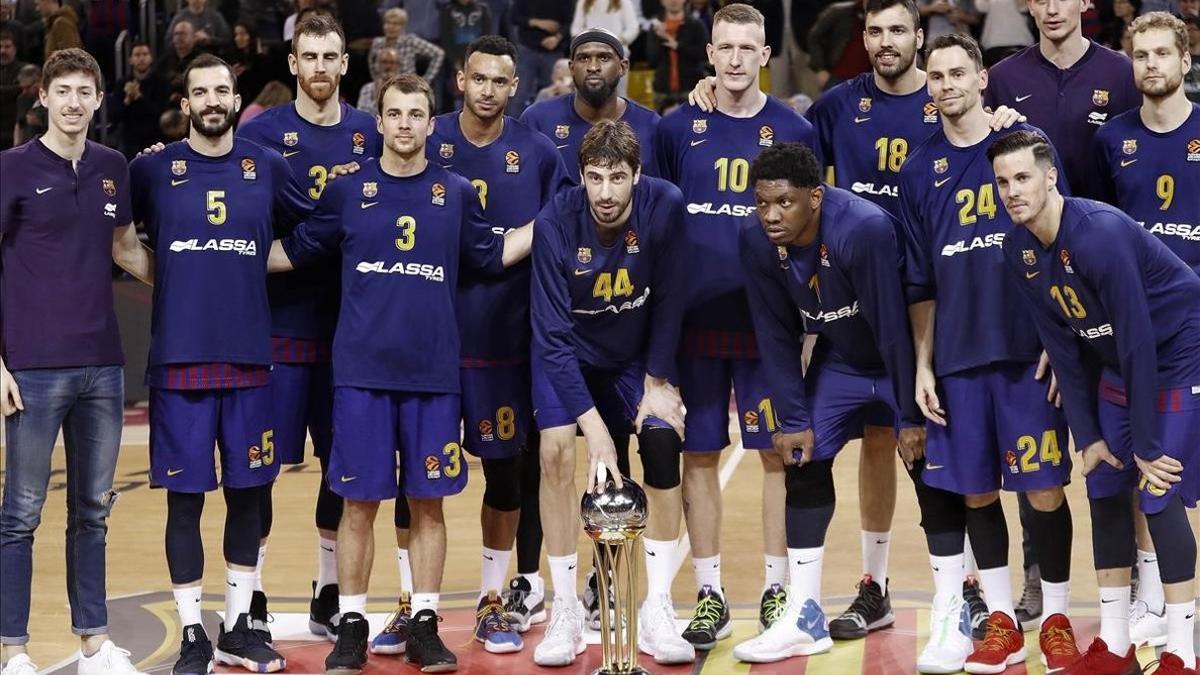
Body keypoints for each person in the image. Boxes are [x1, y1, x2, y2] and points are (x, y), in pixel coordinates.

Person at [268, 72, 533, 675]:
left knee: (429, 504)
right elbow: (296, 250)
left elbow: (491, 256)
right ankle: (354, 624)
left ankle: (424, 623)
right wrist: (213, 248)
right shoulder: (347, 191)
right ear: (379, 123)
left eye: (417, 114)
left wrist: (555, 217)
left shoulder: (457, 193)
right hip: (360, 374)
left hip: (434, 376)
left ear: (429, 123)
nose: (406, 124)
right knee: (359, 503)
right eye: (395, 114)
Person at [898, 33, 1079, 674]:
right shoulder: (918, 171)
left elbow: (1066, 245)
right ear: (929, 87)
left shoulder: (1024, 146)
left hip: (1029, 354)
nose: (946, 84)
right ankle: (1000, 619)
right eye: (936, 76)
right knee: (976, 493)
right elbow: (919, 282)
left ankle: (1055, 617)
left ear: (982, 79)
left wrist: (1063, 342)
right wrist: (923, 362)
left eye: (958, 73)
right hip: (957, 358)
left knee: (1046, 490)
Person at [127, 52, 313, 675]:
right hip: (178, 362)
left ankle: (236, 627)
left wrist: (251, 261)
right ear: (186, 104)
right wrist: (175, 275)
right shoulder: (151, 169)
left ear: (236, 101)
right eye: (200, 91)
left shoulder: (268, 166)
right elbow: (120, 240)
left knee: (249, 497)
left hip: (249, 360)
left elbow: (307, 233)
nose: (211, 100)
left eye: (221, 91)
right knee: (185, 503)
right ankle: (191, 635)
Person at [733, 141, 953, 665]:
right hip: (843, 361)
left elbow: (893, 329)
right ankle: (805, 615)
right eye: (762, 203)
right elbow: (774, 333)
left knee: (931, 468)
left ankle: (953, 609)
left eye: (784, 203)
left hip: (897, 355)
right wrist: (793, 418)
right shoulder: (755, 240)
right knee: (801, 458)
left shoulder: (863, 228)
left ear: (815, 197)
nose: (771, 215)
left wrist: (908, 413)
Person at [992, 128, 1199, 675]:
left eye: (1023, 178)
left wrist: (1147, 443)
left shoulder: (1098, 234)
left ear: (1051, 176)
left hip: (1175, 348)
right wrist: (1087, 437)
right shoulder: (1018, 249)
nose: (1012, 191)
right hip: (1115, 357)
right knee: (1104, 483)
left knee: (1158, 487)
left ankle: (1181, 651)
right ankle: (1115, 646)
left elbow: (1136, 338)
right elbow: (1061, 346)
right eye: (1003, 182)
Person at [657, 2, 817, 654]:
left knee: (776, 453)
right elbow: (659, 224)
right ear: (711, 52)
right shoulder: (678, 127)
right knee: (698, 454)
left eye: (747, 48)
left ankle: (777, 588)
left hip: (767, 326)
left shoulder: (791, 129)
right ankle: (711, 593)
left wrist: (809, 323)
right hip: (694, 322)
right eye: (724, 47)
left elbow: (812, 226)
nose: (734, 59)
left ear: (764, 56)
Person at [236, 11, 383, 648]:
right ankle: (257, 594)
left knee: (339, 468)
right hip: (279, 331)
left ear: (345, 64)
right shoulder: (261, 134)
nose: (320, 68)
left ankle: (328, 590)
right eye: (310, 57)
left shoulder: (372, 134)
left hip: (350, 335)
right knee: (260, 470)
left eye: (331, 57)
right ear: (292, 63)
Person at [0, 47, 146, 675]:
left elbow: (126, 249)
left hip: (103, 366)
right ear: (43, 98)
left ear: (98, 100)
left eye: (84, 92)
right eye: (62, 91)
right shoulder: (11, 168)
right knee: (20, 515)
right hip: (31, 368)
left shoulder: (115, 169)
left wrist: (205, 283)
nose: (73, 102)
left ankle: (93, 641)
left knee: (92, 511)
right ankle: (13, 650)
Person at [528, 119, 692, 668]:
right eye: (594, 177)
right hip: (569, 354)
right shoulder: (555, 220)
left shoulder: (664, 205)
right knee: (555, 451)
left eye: (616, 177)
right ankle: (566, 607)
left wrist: (658, 381)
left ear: (637, 175)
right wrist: (595, 431)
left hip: (633, 358)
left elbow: (671, 298)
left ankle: (659, 606)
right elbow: (550, 336)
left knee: (664, 441)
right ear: (580, 176)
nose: (605, 192)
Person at [426, 34, 570, 653]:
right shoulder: (424, 137)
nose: (488, 90)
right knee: (420, 478)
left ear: (516, 88)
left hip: (508, 340)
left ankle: (494, 594)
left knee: (506, 474)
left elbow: (563, 231)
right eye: (478, 78)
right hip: (428, 340)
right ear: (460, 80)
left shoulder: (536, 152)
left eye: (500, 82)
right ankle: (417, 606)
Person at [1091, 12, 1199, 651]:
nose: (1152, 64)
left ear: (1186, 61)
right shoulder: (1114, 139)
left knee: (1178, 468)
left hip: (1194, 326)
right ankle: (1156, 594)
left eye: (1163, 53)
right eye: (1141, 55)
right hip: (1133, 330)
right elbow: (1099, 229)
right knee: (1146, 466)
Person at [985, 0, 1139, 200]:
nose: (1052, 10)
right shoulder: (1002, 77)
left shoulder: (1123, 72)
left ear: (1084, 3)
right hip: (1027, 222)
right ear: (1030, 6)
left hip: (1104, 218)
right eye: (1042, 1)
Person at [521, 28, 660, 182]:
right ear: (572, 68)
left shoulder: (653, 127)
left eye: (604, 58)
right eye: (584, 58)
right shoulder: (538, 120)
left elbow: (661, 197)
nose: (593, 67)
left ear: (623, 67)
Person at [510, 0, 574, 113]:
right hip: (527, 48)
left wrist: (557, 38)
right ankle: (514, 129)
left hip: (554, 52)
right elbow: (514, 17)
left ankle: (550, 129)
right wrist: (537, 22)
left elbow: (570, 21)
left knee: (555, 96)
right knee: (519, 96)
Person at [645, 0, 709, 112]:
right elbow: (652, 60)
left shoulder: (696, 25)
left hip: (692, 89)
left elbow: (704, 54)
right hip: (663, 90)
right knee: (663, 128)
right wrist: (660, 38)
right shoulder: (655, 27)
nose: (673, 1)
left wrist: (677, 45)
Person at [110, 40, 170, 158]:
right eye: (137, 55)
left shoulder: (162, 82)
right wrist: (127, 99)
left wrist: (138, 97)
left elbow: (161, 114)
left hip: (154, 136)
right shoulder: (122, 83)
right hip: (129, 139)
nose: (141, 58)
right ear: (130, 60)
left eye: (145, 54)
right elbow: (114, 117)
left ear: (151, 58)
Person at [570, 0, 640, 96]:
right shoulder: (583, 2)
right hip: (589, 52)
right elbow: (576, 29)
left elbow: (633, 27)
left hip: (617, 52)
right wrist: (586, 42)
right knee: (585, 92)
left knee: (619, 93)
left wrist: (617, 42)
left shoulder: (622, 2)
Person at [368, 8, 444, 86]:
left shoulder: (410, 41)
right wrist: (376, 80)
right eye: (387, 23)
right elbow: (372, 65)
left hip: (407, 89)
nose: (390, 27)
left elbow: (438, 53)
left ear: (403, 26)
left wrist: (427, 79)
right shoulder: (377, 43)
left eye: (395, 24)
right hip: (383, 88)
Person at [974, 0, 1035, 66]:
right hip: (994, 42)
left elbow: (1023, 7)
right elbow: (980, 6)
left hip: (1021, 41)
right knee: (998, 73)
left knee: (1023, 72)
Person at [156, 19, 206, 86]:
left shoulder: (203, 60)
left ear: (194, 37)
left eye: (183, 33)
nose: (179, 37)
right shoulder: (165, 60)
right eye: (176, 34)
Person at [0, 29, 26, 149]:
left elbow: (23, 89)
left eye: (7, 46)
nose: (3, 51)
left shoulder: (24, 70)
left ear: (15, 49)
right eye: (0, 46)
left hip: (14, 133)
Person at [357, 46, 401, 113]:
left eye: (392, 63)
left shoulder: (404, 90)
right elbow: (360, 115)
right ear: (377, 65)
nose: (388, 66)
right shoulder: (366, 89)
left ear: (398, 66)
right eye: (384, 62)